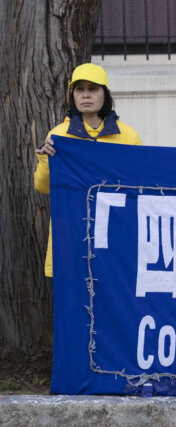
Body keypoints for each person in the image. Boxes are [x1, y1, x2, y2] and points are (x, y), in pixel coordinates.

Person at [34, 63, 142, 277]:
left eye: (93, 89)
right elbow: (43, 186)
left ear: (105, 94)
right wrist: (46, 159)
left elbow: (140, 185)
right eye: (79, 89)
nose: (85, 95)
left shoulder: (128, 136)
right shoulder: (58, 135)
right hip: (71, 234)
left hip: (116, 234)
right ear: (72, 95)